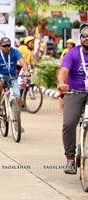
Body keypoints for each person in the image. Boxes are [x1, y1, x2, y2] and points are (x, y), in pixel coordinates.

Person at [57, 23, 88, 174]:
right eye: (84, 36)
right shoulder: (73, 53)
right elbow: (63, 70)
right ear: (80, 37)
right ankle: (70, 159)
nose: (87, 38)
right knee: (69, 123)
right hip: (75, 92)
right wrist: (62, 83)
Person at [0, 37, 30, 132]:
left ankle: (17, 122)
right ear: (0, 46)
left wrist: (26, 71)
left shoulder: (15, 52)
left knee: (18, 99)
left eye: (8, 46)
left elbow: (23, 62)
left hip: (12, 76)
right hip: (0, 74)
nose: (7, 48)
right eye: (4, 46)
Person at [57, 38, 76, 115]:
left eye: (70, 44)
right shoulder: (65, 51)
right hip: (65, 73)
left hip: (72, 74)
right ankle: (61, 109)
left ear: (73, 45)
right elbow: (61, 62)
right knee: (62, 92)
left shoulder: (76, 52)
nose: (68, 45)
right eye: (68, 44)